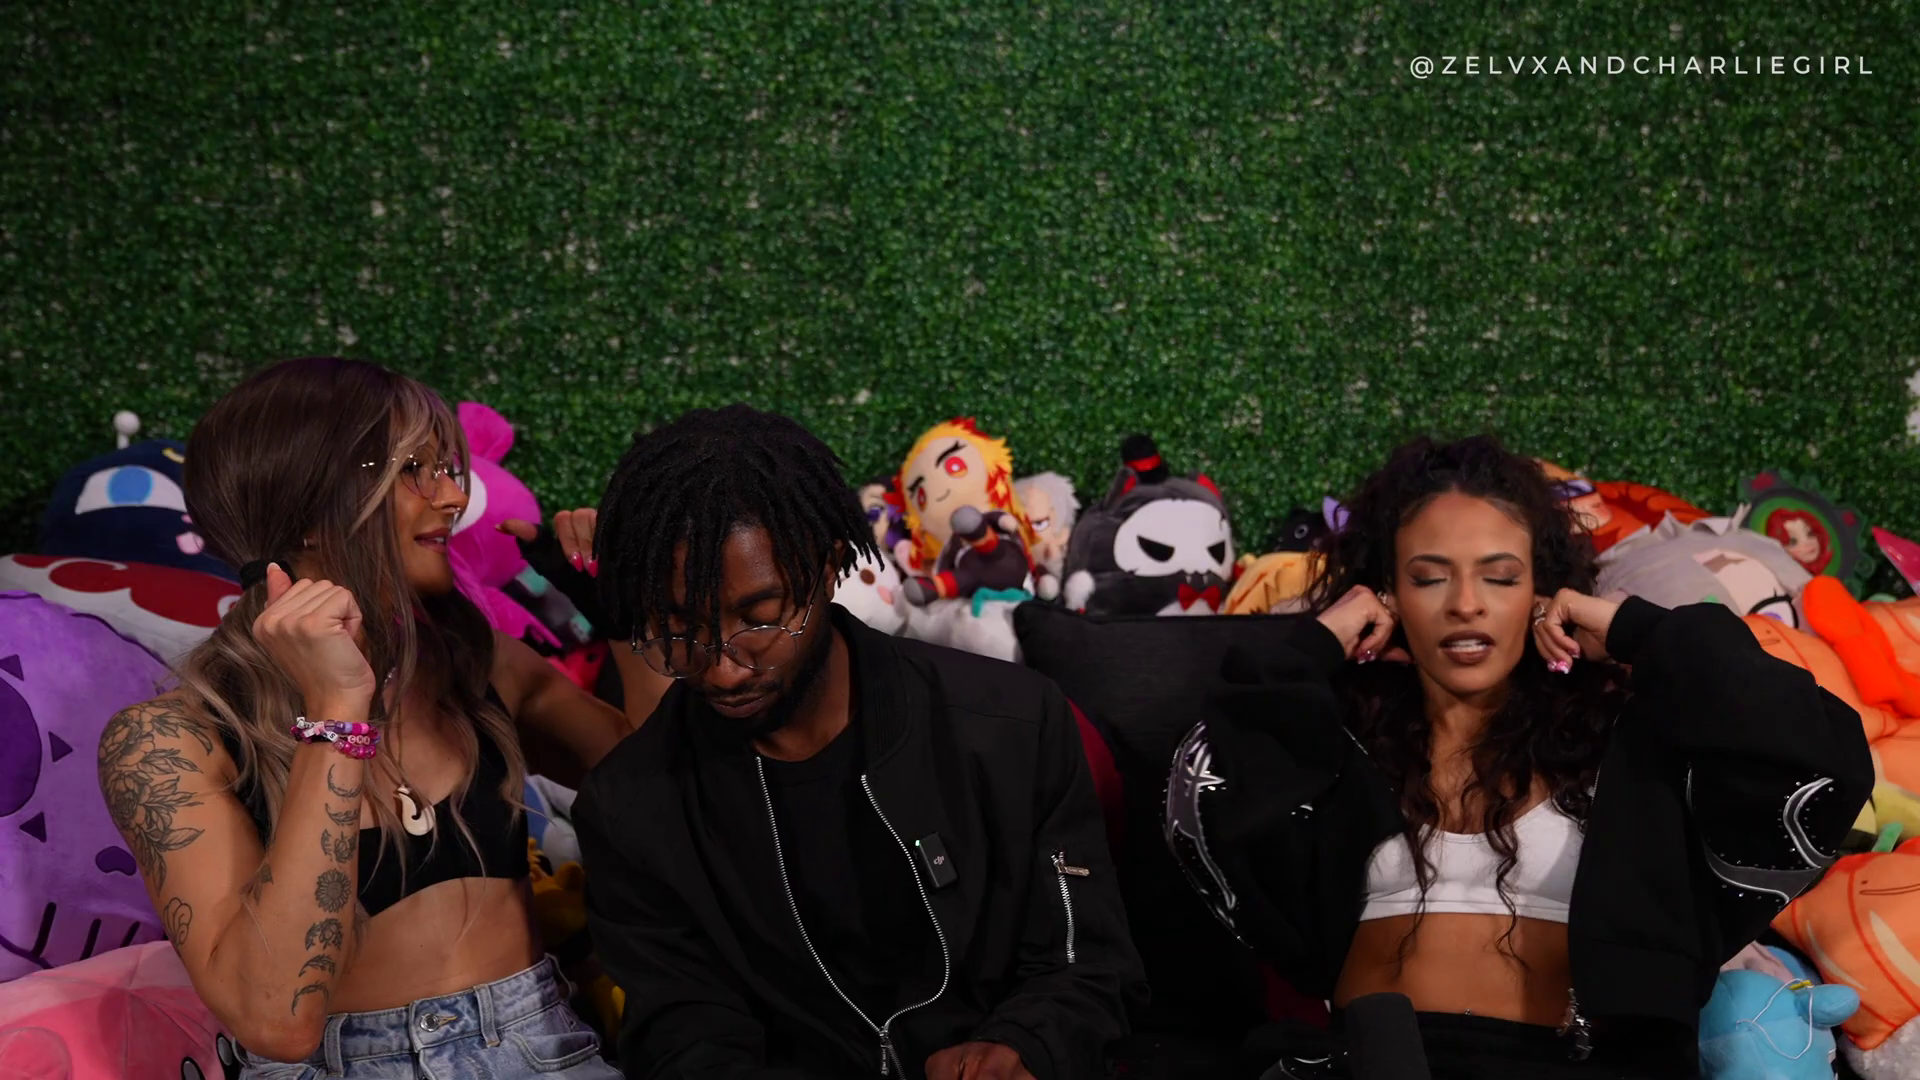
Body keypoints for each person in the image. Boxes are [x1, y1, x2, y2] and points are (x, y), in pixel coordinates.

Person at [1163, 435, 1872, 1079]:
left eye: (1500, 577)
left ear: (1542, 591)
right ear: (1388, 595)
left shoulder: (1624, 740)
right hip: (1372, 1063)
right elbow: (1211, 781)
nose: (1466, 603)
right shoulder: (1341, 743)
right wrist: (1319, 643)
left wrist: (1639, 632)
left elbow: (1818, 756)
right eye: (1429, 577)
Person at [572, 405, 1145, 1080]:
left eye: (762, 618)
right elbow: (685, 1033)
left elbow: (1087, 964)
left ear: (830, 567)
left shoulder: (1011, 724)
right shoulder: (630, 810)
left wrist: (1026, 1046)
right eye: (680, 631)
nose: (722, 669)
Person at [96, 358, 633, 1078]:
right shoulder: (166, 741)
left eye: (448, 469)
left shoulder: (475, 662)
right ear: (309, 512)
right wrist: (337, 712)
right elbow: (275, 1019)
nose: (454, 498)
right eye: (414, 471)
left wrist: (633, 616)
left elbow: (663, 798)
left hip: (544, 1047)